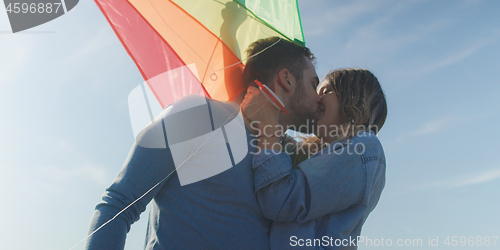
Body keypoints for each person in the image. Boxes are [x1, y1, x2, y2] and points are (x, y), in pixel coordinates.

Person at [84, 37, 322, 249]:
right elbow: (118, 205)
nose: (319, 96)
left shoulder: (290, 159)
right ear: (286, 79)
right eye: (314, 84)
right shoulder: (198, 115)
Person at [242, 68, 387, 249]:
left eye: (325, 91)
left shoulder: (365, 148)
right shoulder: (326, 155)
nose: (317, 100)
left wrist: (268, 128)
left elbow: (279, 199)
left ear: (352, 97)